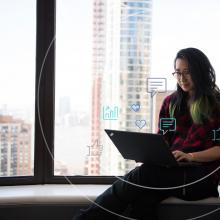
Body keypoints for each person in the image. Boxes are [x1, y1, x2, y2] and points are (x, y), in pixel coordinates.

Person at [73, 48, 220, 220]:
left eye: (187, 72)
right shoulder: (171, 103)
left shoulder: (216, 104)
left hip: (202, 178)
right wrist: (150, 153)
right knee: (143, 197)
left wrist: (190, 156)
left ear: (200, 71)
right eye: (178, 72)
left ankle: (85, 218)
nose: (182, 78)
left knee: (143, 174)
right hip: (172, 172)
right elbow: (163, 140)